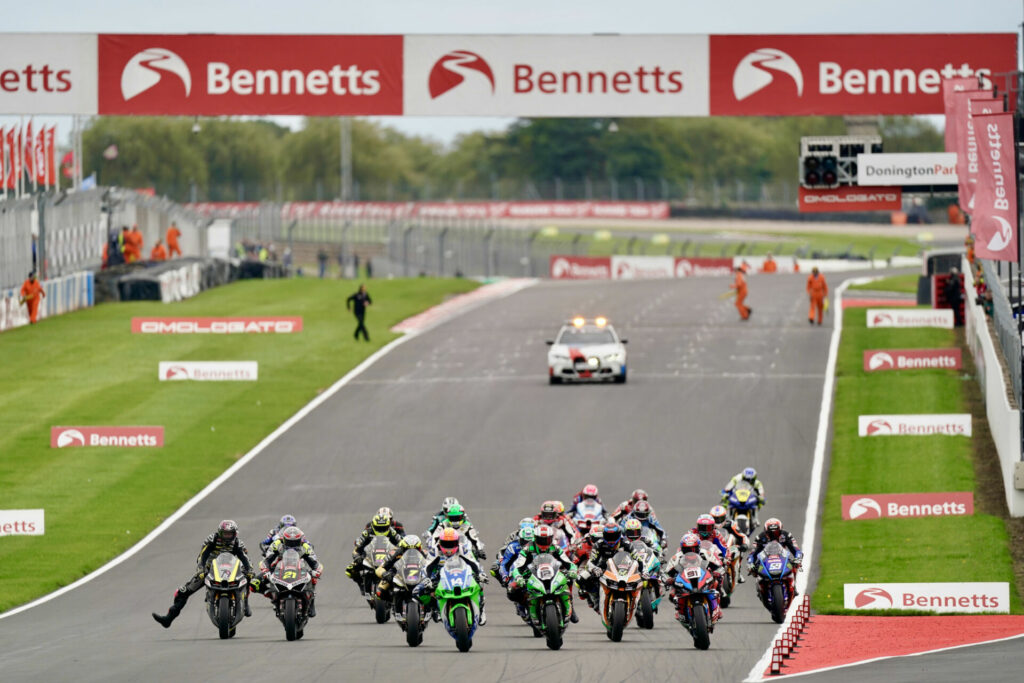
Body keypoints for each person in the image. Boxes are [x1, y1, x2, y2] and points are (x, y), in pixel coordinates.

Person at [152, 520, 253, 627]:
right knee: (183, 592)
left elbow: (245, 559)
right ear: (220, 533)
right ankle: (168, 618)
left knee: (247, 577)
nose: (227, 536)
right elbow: (202, 556)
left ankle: (245, 602)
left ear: (235, 533)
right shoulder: (212, 540)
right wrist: (201, 569)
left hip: (231, 571)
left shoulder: (238, 543)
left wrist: (250, 571)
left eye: (230, 534)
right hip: (210, 570)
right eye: (225, 534)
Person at [508, 524, 579, 623]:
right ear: (535, 539)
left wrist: (572, 571)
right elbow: (518, 567)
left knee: (569, 579)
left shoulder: (556, 548)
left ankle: (569, 605)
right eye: (541, 540)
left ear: (551, 539)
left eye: (547, 540)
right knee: (512, 589)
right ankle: (524, 606)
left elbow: (569, 563)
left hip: (553, 573)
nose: (544, 543)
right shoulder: (527, 549)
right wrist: (518, 577)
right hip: (531, 574)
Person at [419, 528, 488, 625]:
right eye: (445, 544)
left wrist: (480, 573)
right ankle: (434, 609)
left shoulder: (462, 549)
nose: (448, 548)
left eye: (451, 544)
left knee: (480, 582)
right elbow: (427, 567)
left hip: (461, 573)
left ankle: (481, 607)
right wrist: (427, 579)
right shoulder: (435, 550)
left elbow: (474, 563)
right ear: (440, 542)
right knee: (421, 590)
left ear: (457, 543)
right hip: (440, 575)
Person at [256, 526, 323, 617]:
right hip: (279, 567)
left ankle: (311, 602)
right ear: (283, 539)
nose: (292, 545)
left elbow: (316, 563)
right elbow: (266, 561)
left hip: (299, 567)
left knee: (313, 578)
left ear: (300, 540)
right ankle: (273, 596)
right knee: (254, 583)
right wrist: (265, 571)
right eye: (289, 542)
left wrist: (317, 571)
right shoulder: (277, 544)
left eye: (295, 542)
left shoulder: (305, 546)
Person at [663, 533, 724, 623]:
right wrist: (667, 580)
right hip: (685, 581)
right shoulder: (676, 557)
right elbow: (666, 573)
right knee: (672, 594)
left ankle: (716, 606)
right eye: (687, 549)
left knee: (716, 583)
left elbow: (719, 565)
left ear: (698, 547)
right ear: (682, 549)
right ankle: (680, 610)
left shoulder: (706, 553)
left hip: (703, 578)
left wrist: (718, 572)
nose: (690, 552)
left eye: (693, 549)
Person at [345, 512, 404, 589]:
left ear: (388, 526)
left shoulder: (392, 532)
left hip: (387, 557)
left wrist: (398, 553)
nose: (381, 531)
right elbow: (356, 549)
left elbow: (401, 543)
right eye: (379, 528)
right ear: (373, 526)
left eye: (384, 528)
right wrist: (357, 557)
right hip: (368, 557)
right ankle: (361, 583)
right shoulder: (367, 533)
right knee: (349, 570)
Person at [747, 518, 803, 582]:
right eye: (770, 533)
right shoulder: (760, 537)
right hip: (765, 561)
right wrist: (750, 563)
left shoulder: (786, 535)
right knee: (755, 571)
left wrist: (798, 559)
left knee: (793, 566)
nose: (773, 535)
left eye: (776, 533)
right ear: (766, 532)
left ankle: (793, 588)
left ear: (781, 530)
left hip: (783, 559)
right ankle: (761, 589)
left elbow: (797, 550)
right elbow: (752, 554)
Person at [709, 504, 750, 582]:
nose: (717, 521)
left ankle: (738, 571)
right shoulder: (708, 525)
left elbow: (742, 536)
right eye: (715, 519)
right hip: (712, 548)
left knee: (739, 548)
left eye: (720, 518)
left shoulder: (731, 524)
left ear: (725, 517)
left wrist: (744, 544)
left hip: (729, 547)